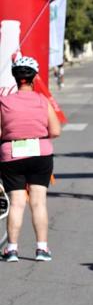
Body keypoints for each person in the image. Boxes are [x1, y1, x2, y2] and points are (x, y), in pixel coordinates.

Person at [0, 57, 61, 262]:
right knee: (38, 202)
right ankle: (42, 249)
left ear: (16, 78)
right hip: (40, 153)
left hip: (11, 154)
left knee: (17, 203)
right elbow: (55, 130)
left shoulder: (4, 101)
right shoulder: (42, 101)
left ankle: (12, 249)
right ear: (34, 77)